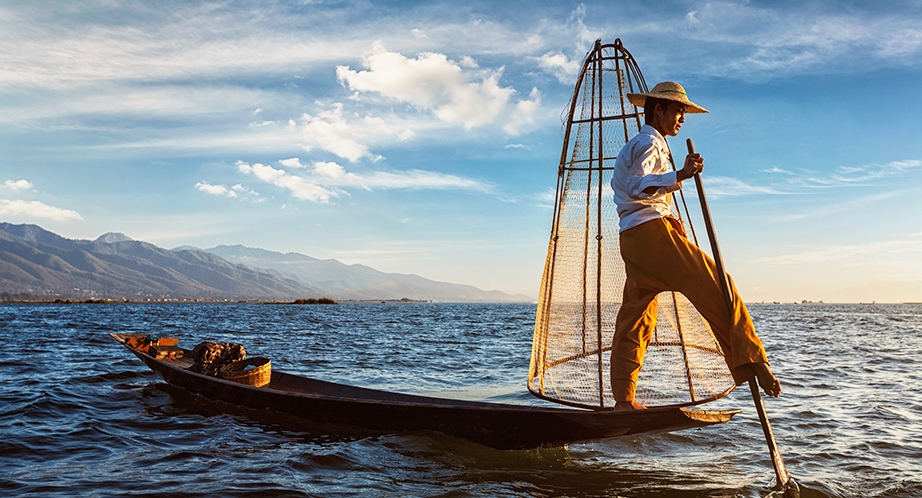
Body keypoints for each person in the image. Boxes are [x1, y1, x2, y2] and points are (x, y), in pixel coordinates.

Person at [609, 81, 781, 411]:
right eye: (677, 110)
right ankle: (753, 361)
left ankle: (624, 399)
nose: (682, 118)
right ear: (657, 110)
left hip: (633, 239)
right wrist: (681, 174)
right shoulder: (649, 142)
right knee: (719, 286)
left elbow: (636, 190)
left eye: (684, 112)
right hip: (650, 235)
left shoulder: (644, 143)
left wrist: (672, 194)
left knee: (636, 318)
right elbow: (634, 185)